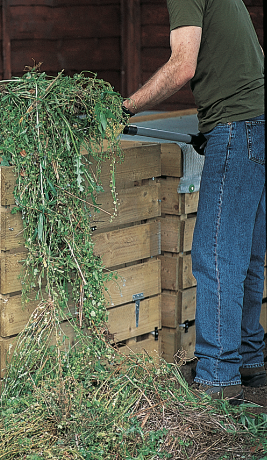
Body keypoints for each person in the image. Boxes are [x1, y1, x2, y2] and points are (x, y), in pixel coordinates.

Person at [122, 0, 265, 404]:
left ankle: (218, 377)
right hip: (256, 121)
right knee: (247, 253)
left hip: (238, 125)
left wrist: (125, 108)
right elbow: (252, 58)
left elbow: (183, 65)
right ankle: (250, 360)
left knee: (217, 255)